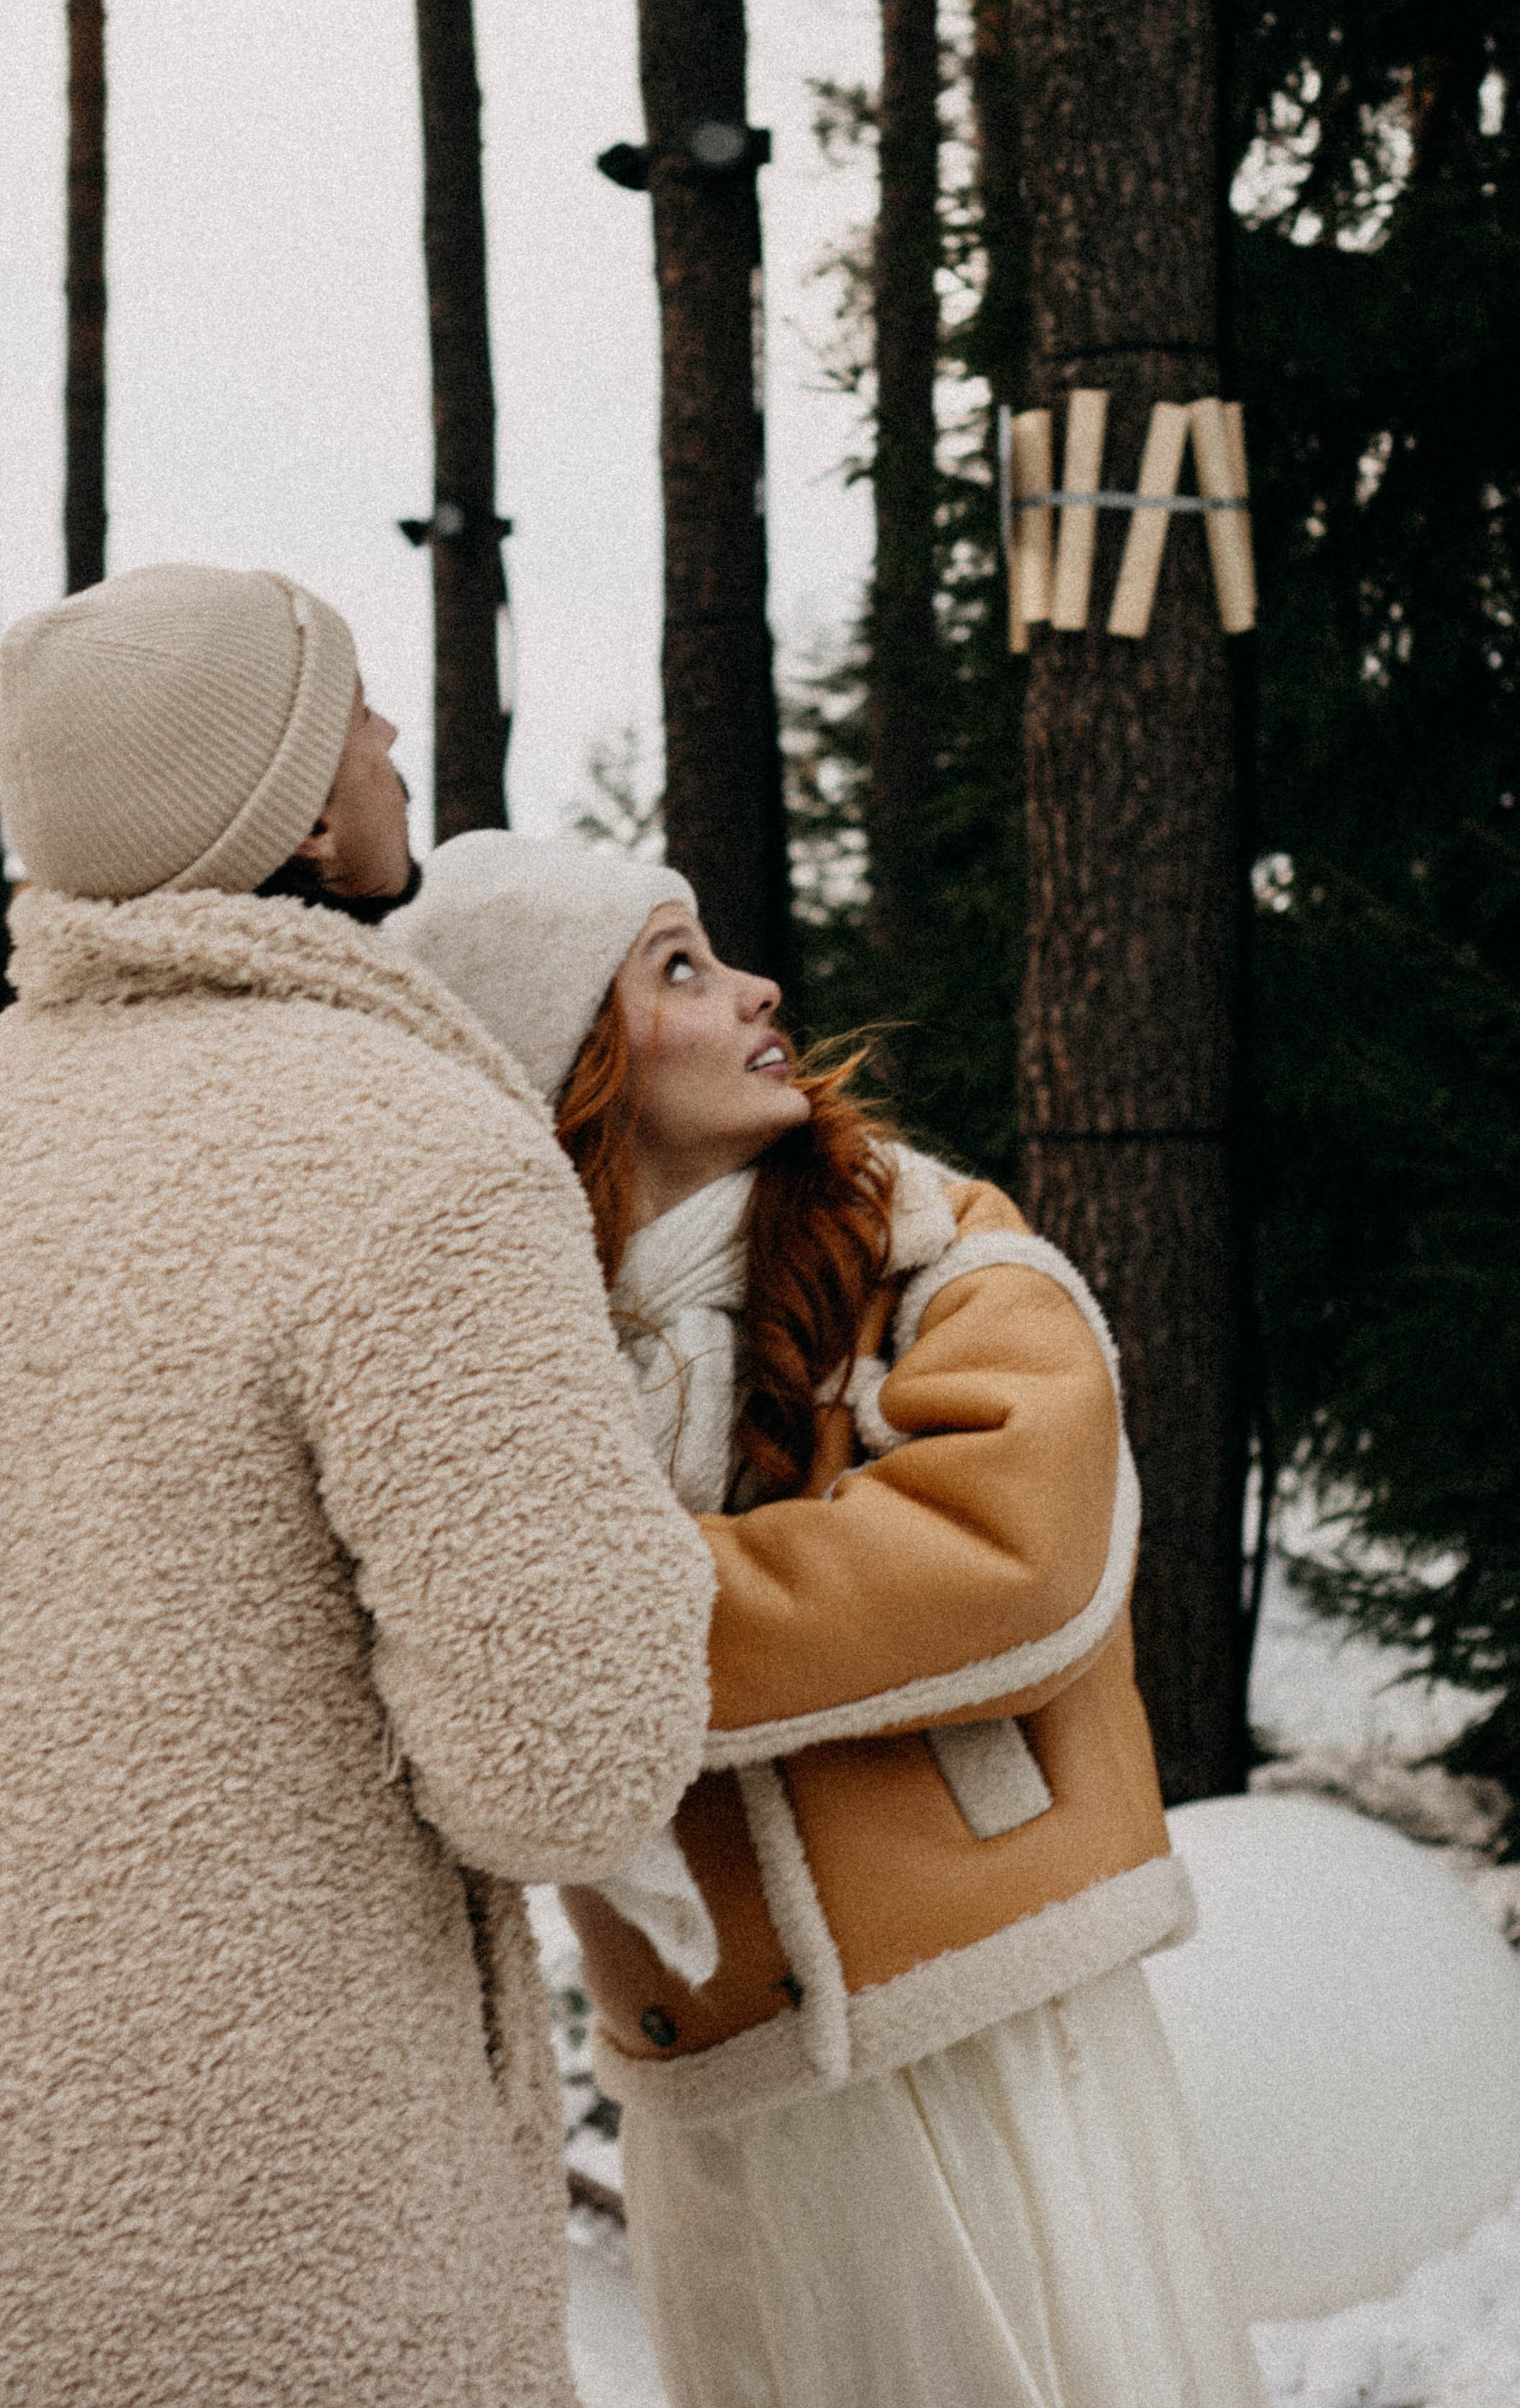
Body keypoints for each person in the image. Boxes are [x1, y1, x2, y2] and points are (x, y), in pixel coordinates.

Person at [389, 828, 1266, 2408]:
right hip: (720, 2076)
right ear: (572, 1058)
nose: (755, 988)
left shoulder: (925, 1241)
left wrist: (605, 1633)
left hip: (988, 2026)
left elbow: (1013, 1551)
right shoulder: (511, 1362)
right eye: (679, 968)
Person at [0, 566, 715, 2408]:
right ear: (305, 814)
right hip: (288, 2212)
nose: (401, 746)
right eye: (367, 716)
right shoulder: (410, 1154)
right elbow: (567, 1760)